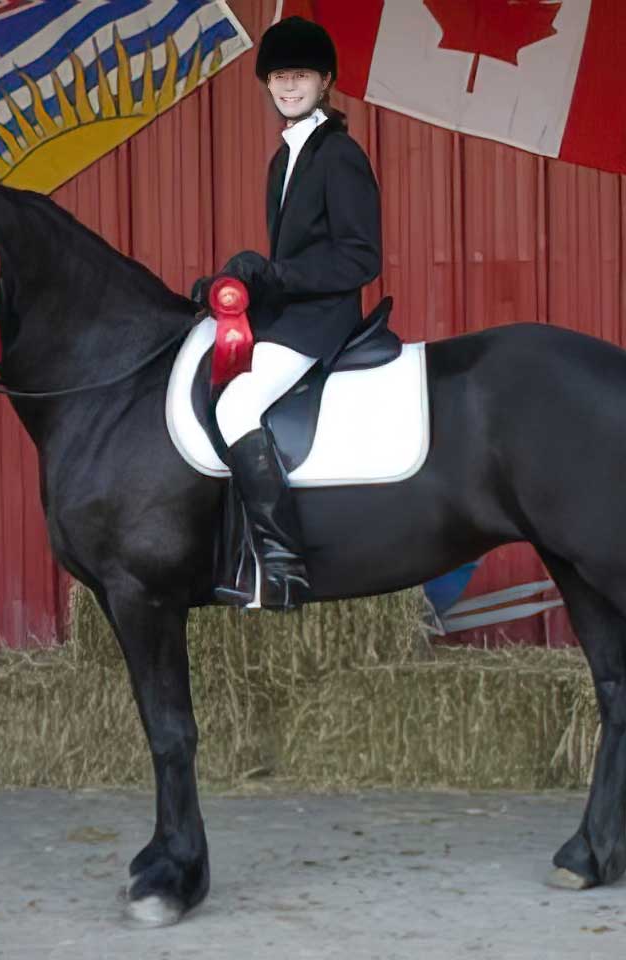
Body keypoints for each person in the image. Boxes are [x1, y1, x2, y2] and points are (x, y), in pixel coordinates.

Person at [192, 15, 383, 610]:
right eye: (279, 76)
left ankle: (282, 564)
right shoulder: (283, 161)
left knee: (239, 402)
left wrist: (277, 276)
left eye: (300, 75)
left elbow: (360, 257)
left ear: (325, 81)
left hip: (323, 318)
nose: (289, 86)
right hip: (292, 312)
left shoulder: (339, 155)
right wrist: (236, 286)